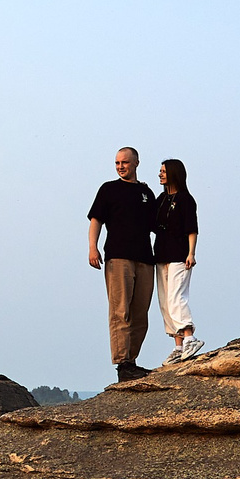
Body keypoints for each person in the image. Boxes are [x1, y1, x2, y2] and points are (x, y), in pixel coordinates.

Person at [86, 147, 158, 380]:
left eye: (125, 162)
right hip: (118, 257)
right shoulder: (109, 189)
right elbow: (96, 220)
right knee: (120, 311)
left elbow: (158, 225)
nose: (120, 166)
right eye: (117, 163)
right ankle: (122, 363)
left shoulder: (146, 192)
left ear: (136, 163)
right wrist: (93, 247)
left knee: (140, 314)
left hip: (145, 258)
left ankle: (131, 361)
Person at [152, 158, 200, 360]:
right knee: (165, 300)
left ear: (174, 173)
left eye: (163, 171)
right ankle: (178, 346)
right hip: (161, 254)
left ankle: (190, 337)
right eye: (160, 171)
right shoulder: (161, 200)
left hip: (180, 255)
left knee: (176, 297)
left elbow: (192, 229)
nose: (160, 174)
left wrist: (191, 253)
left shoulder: (186, 199)